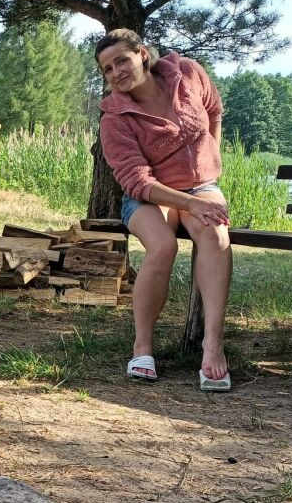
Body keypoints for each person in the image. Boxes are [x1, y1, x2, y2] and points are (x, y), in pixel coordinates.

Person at [96, 29, 232, 392]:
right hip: (147, 195)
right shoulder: (115, 119)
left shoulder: (186, 73)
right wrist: (188, 203)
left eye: (121, 60)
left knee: (216, 234)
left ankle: (212, 346)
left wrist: (210, 166)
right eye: (107, 70)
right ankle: (142, 347)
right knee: (163, 245)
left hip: (201, 185)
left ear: (142, 54)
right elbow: (136, 180)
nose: (116, 73)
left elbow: (214, 109)